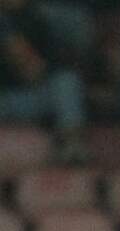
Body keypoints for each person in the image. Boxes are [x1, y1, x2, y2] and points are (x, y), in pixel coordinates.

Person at [0, 0, 87, 162]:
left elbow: (37, 70)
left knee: (66, 81)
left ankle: (71, 145)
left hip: (30, 98)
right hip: (4, 100)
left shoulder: (38, 17)